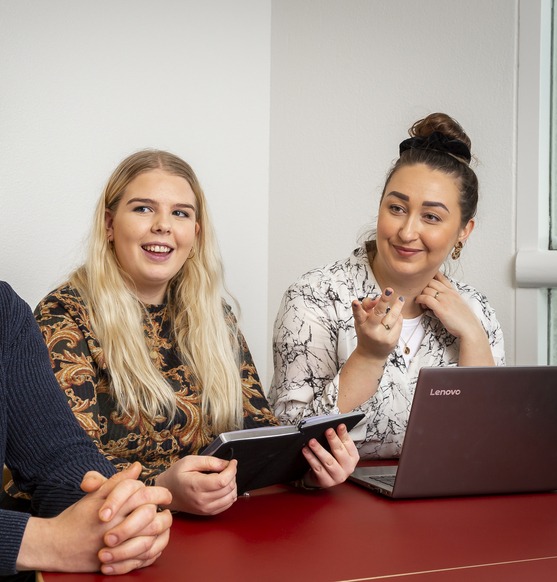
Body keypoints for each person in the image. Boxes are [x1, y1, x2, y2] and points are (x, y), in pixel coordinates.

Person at [21, 150, 358, 517]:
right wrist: (164, 488)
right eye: (143, 209)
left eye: (180, 213)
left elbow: (260, 432)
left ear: (195, 233)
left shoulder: (215, 316)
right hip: (102, 533)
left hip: (211, 530)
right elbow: (66, 469)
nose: (163, 225)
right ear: (109, 224)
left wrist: (307, 469)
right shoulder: (65, 315)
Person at [269, 112, 506, 459]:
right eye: (396, 208)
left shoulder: (477, 310)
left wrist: (472, 337)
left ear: (463, 231)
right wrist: (367, 356)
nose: (407, 232)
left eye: (431, 217)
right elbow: (287, 441)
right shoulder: (315, 297)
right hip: (335, 502)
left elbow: (490, 451)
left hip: (444, 503)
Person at [0, 281, 172, 578]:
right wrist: (46, 540)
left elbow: (57, 454)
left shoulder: (5, 310)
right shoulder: (66, 310)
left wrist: (115, 506)